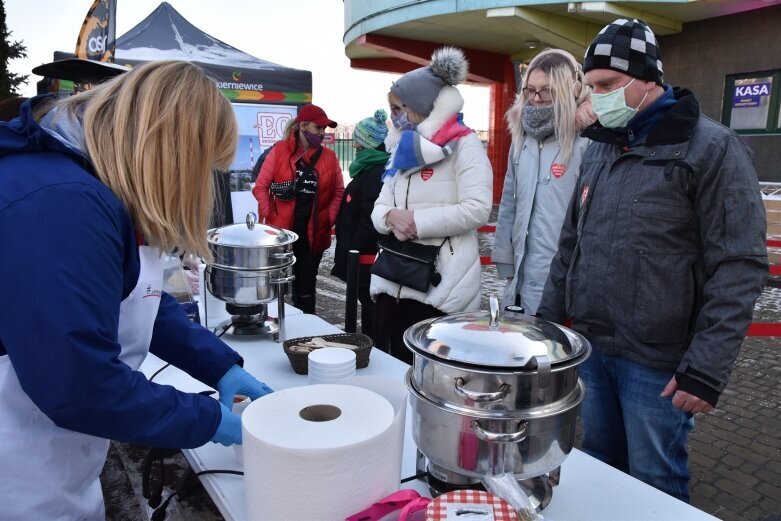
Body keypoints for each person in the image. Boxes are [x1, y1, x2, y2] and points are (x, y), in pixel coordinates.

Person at [0, 60, 274, 519]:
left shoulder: (91, 183)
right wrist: (209, 421)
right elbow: (80, 385)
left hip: (57, 462)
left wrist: (221, 367)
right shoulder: (61, 202)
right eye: (205, 167)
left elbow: (134, 295)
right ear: (173, 153)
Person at [537, 19, 768, 502]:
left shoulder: (712, 148)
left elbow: (739, 265)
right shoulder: (600, 148)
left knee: (655, 481)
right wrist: (546, 325)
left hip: (659, 364)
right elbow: (570, 245)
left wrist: (705, 368)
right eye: (591, 86)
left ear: (649, 79)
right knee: (600, 465)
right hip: (593, 348)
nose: (597, 98)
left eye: (608, 86)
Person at [371, 47, 493, 364]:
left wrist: (418, 222)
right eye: (392, 109)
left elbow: (478, 208)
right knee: (394, 367)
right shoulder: (401, 149)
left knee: (433, 375)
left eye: (400, 108)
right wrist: (389, 217)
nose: (394, 116)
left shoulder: (465, 145)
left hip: (441, 286)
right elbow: (380, 207)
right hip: (394, 280)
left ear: (423, 106)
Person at [491, 49, 593, 315]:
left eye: (546, 91)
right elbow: (509, 202)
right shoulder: (522, 139)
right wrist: (505, 259)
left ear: (568, 90)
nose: (536, 99)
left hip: (565, 279)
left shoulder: (587, 141)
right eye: (530, 91)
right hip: (521, 280)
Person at [252, 104, 344, 314]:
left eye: (324, 129)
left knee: (306, 288)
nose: (322, 133)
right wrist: (269, 215)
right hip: (282, 236)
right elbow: (261, 187)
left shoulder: (329, 157)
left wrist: (328, 218)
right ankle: (278, 329)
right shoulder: (279, 151)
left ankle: (307, 332)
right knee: (277, 288)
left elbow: (338, 190)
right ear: (303, 126)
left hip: (313, 236)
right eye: (318, 128)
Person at [331, 109, 390, 339]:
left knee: (371, 310)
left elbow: (370, 219)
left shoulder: (375, 173)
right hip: (359, 256)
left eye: (357, 140)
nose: (354, 145)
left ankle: (373, 351)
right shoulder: (368, 169)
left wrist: (353, 248)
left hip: (366, 259)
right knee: (367, 308)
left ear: (366, 143)